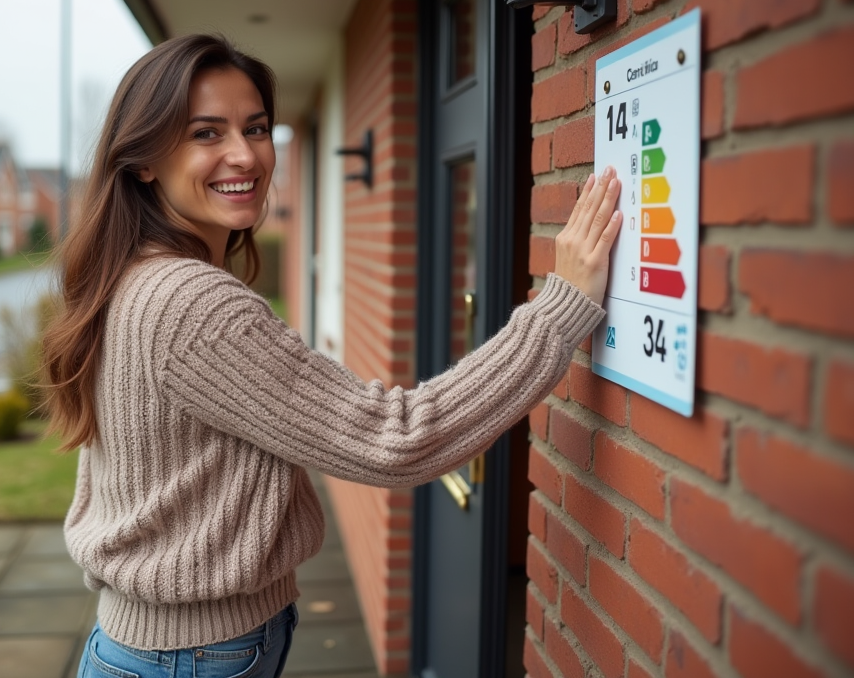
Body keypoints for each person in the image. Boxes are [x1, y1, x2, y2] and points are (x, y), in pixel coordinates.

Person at [43, 33, 622, 678]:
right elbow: (396, 437)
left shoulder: (128, 277)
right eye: (205, 133)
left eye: (256, 127)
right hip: (190, 659)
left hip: (151, 647)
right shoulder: (191, 303)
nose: (244, 154)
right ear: (144, 160)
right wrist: (560, 310)